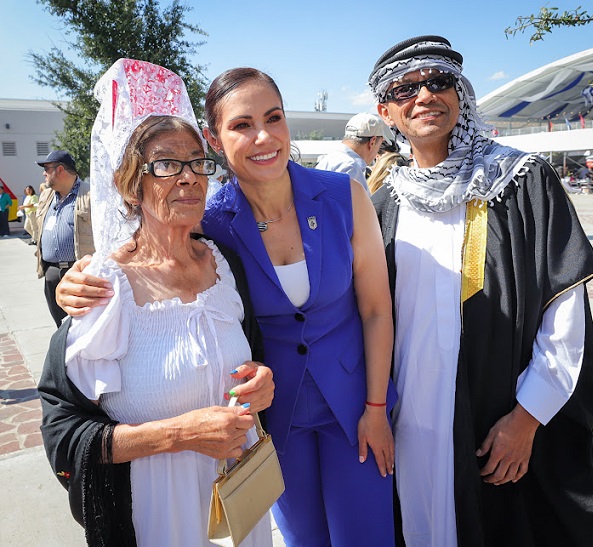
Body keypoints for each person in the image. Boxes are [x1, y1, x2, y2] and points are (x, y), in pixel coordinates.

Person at [56, 66, 397, 546]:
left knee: (367, 536)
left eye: (273, 117)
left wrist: (377, 407)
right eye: (241, 125)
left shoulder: (345, 196)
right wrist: (72, 282)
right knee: (303, 540)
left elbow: (377, 310)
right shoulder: (211, 223)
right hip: (275, 420)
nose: (263, 136)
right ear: (216, 140)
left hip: (356, 405)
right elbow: (149, 252)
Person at [368, 35, 593, 546]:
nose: (425, 96)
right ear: (386, 111)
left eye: (438, 82)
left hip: (500, 420)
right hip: (411, 422)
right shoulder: (384, 203)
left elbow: (564, 319)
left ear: (462, 94)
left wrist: (527, 419)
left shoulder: (519, 181)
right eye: (405, 89)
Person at [38, 59, 274, 547]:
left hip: (240, 507)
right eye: (166, 164)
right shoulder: (106, 288)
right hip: (159, 518)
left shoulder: (223, 264)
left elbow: (247, 355)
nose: (188, 177)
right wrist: (179, 435)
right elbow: (63, 433)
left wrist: (261, 381)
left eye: (196, 162)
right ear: (131, 184)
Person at [34, 150, 95, 326]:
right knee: (60, 326)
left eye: (47, 168)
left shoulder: (90, 195)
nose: (43, 173)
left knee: (83, 325)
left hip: (79, 273)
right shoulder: (46, 195)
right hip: (51, 273)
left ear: (60, 170)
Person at [315, 112, 393, 193]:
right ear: (372, 142)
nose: (377, 151)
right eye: (379, 146)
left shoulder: (330, 159)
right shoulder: (350, 167)